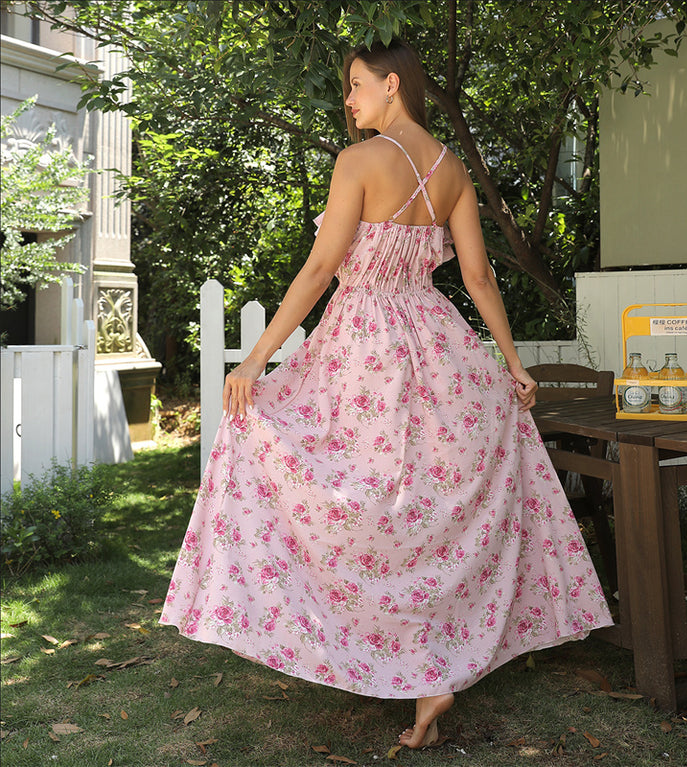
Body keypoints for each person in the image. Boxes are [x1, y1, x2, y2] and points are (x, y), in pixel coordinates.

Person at [160, 38, 613, 750]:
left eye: (354, 85)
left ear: (391, 84)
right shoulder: (452, 170)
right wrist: (512, 363)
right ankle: (433, 662)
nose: (348, 99)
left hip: (363, 341)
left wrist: (253, 361)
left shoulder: (357, 163)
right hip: (436, 341)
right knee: (427, 500)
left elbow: (318, 270)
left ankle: (399, 655)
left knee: (360, 491)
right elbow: (478, 279)